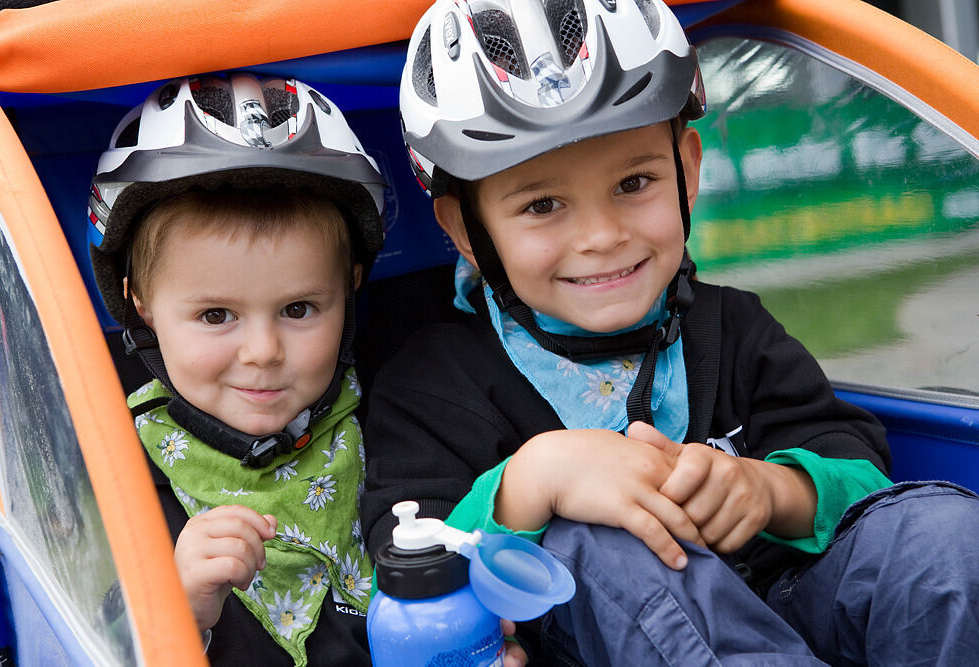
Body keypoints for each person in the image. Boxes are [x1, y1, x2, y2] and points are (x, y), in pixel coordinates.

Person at [361, 1, 979, 664]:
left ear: (687, 169)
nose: (602, 236)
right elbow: (404, 566)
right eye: (543, 205)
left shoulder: (730, 328)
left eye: (634, 182)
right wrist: (533, 480)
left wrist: (769, 491)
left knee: (941, 537)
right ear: (463, 231)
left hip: (792, 605)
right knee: (601, 535)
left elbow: (861, 474)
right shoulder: (432, 383)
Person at [89, 73, 387, 666]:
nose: (263, 352)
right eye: (216, 314)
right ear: (141, 304)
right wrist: (178, 611)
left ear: (349, 291)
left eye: (298, 309)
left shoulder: (396, 415)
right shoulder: (109, 471)